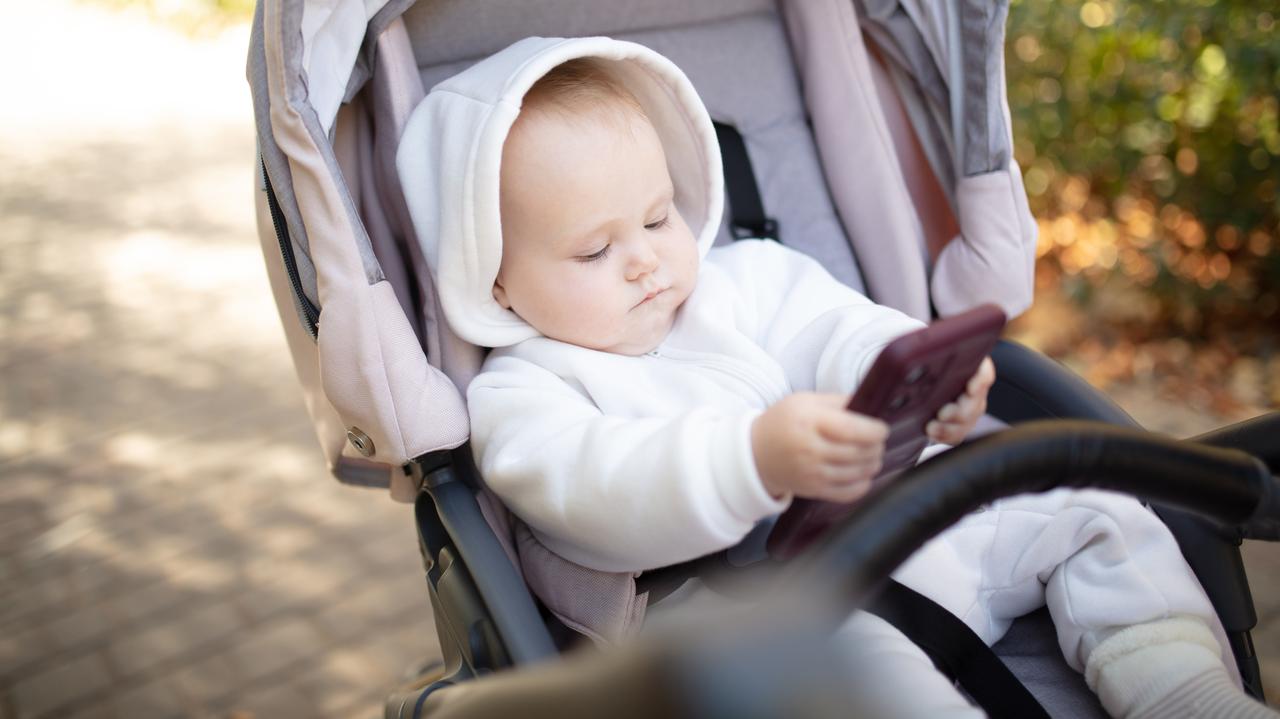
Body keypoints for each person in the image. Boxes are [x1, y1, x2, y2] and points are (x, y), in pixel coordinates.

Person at [398, 36, 1276, 719]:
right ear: (496, 278)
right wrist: (751, 461)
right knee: (850, 688)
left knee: (1091, 507)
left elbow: (837, 327)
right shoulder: (522, 395)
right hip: (743, 610)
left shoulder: (741, 280)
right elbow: (596, 490)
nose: (646, 261)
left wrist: (920, 382)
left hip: (899, 527)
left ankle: (1178, 687)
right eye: (595, 248)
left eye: (660, 216)